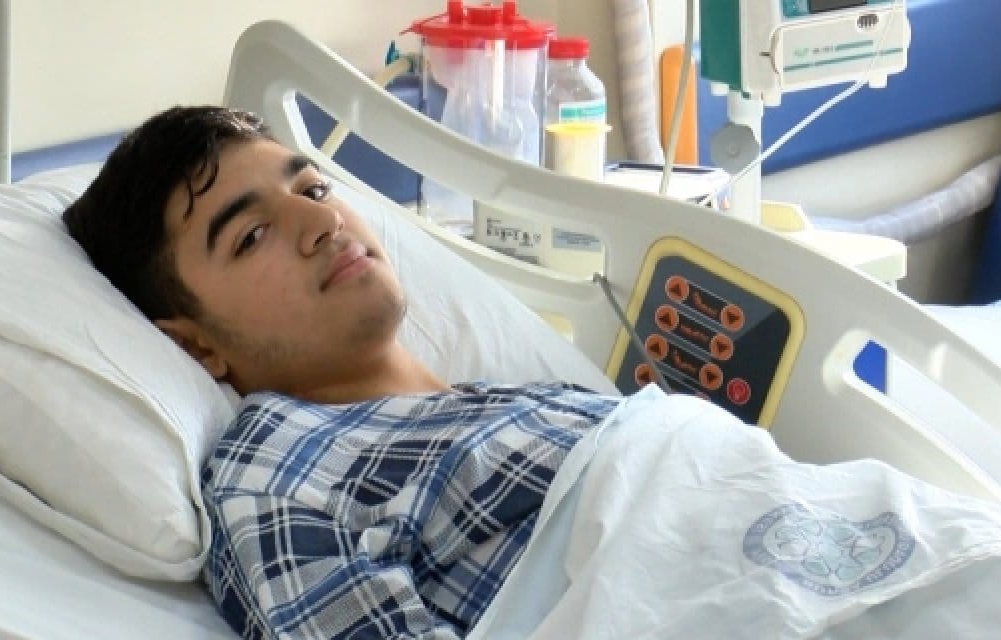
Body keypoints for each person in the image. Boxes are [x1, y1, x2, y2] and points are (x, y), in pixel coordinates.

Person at [63, 105, 619, 638]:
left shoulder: (534, 399)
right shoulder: (276, 481)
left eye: (313, 191)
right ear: (195, 344)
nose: (323, 221)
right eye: (251, 236)